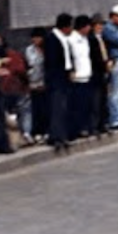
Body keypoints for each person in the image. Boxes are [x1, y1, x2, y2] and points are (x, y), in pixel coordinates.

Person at [45, 13, 74, 152]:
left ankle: (63, 134)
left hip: (65, 75)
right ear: (65, 26)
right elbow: (51, 62)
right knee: (57, 107)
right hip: (56, 78)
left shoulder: (64, 38)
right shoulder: (52, 39)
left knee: (63, 107)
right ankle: (56, 136)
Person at [69, 15, 94, 139]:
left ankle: (85, 127)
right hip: (77, 77)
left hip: (86, 75)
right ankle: (78, 129)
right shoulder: (71, 40)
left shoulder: (85, 39)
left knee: (86, 105)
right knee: (77, 106)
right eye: (88, 26)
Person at [25, 28, 48, 142]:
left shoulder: (47, 49)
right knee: (35, 108)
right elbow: (28, 64)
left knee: (45, 108)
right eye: (34, 38)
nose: (35, 40)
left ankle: (46, 131)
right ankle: (37, 131)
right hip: (33, 81)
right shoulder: (29, 50)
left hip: (44, 82)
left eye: (38, 37)